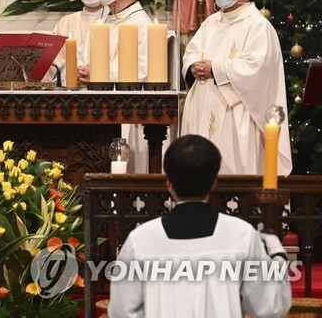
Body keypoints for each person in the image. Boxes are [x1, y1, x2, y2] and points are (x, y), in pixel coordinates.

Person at [109, 134, 292, 318]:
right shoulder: (241, 236)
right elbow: (269, 308)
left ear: (169, 183)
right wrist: (277, 255)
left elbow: (121, 312)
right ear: (214, 182)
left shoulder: (141, 240)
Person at [181, 0, 292, 176]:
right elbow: (192, 51)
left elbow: (258, 68)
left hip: (237, 111)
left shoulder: (258, 25)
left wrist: (216, 68)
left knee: (232, 169)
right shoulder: (212, 22)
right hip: (204, 103)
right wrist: (193, 66)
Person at [77, 0, 153, 83]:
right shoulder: (101, 23)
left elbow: (143, 71)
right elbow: (84, 58)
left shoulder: (142, 25)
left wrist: (99, 74)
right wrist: (81, 70)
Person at [45, 0, 106, 82]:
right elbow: (52, 57)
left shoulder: (115, 21)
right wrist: (73, 71)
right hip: (69, 89)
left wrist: (95, 72)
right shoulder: (66, 22)